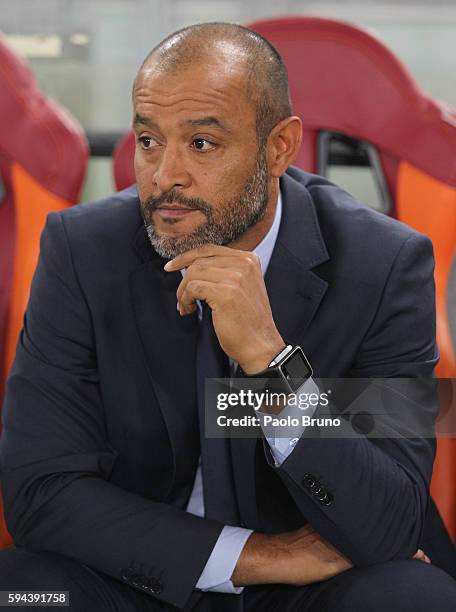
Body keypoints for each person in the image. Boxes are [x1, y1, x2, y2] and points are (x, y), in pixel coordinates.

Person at [1, 21, 456, 612]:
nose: (165, 177)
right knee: (20, 591)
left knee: (411, 600)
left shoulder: (384, 265)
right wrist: (262, 556)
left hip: (323, 585)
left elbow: (390, 520)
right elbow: (41, 490)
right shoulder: (82, 251)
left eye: (202, 144)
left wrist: (274, 366)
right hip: (139, 570)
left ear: (278, 148)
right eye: (148, 140)